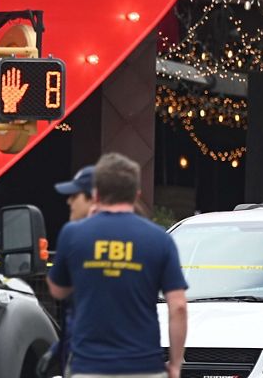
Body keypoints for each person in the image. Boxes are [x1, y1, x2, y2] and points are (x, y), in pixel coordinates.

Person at [47, 154, 188, 378]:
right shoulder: (160, 239)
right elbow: (178, 306)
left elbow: (57, 290)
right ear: (136, 195)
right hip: (144, 366)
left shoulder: (73, 234)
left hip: (89, 366)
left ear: (96, 194)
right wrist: (175, 364)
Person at [40, 164, 97, 377]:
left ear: (92, 197)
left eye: (75, 195)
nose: (69, 201)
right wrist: (58, 349)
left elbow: (57, 290)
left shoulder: (75, 236)